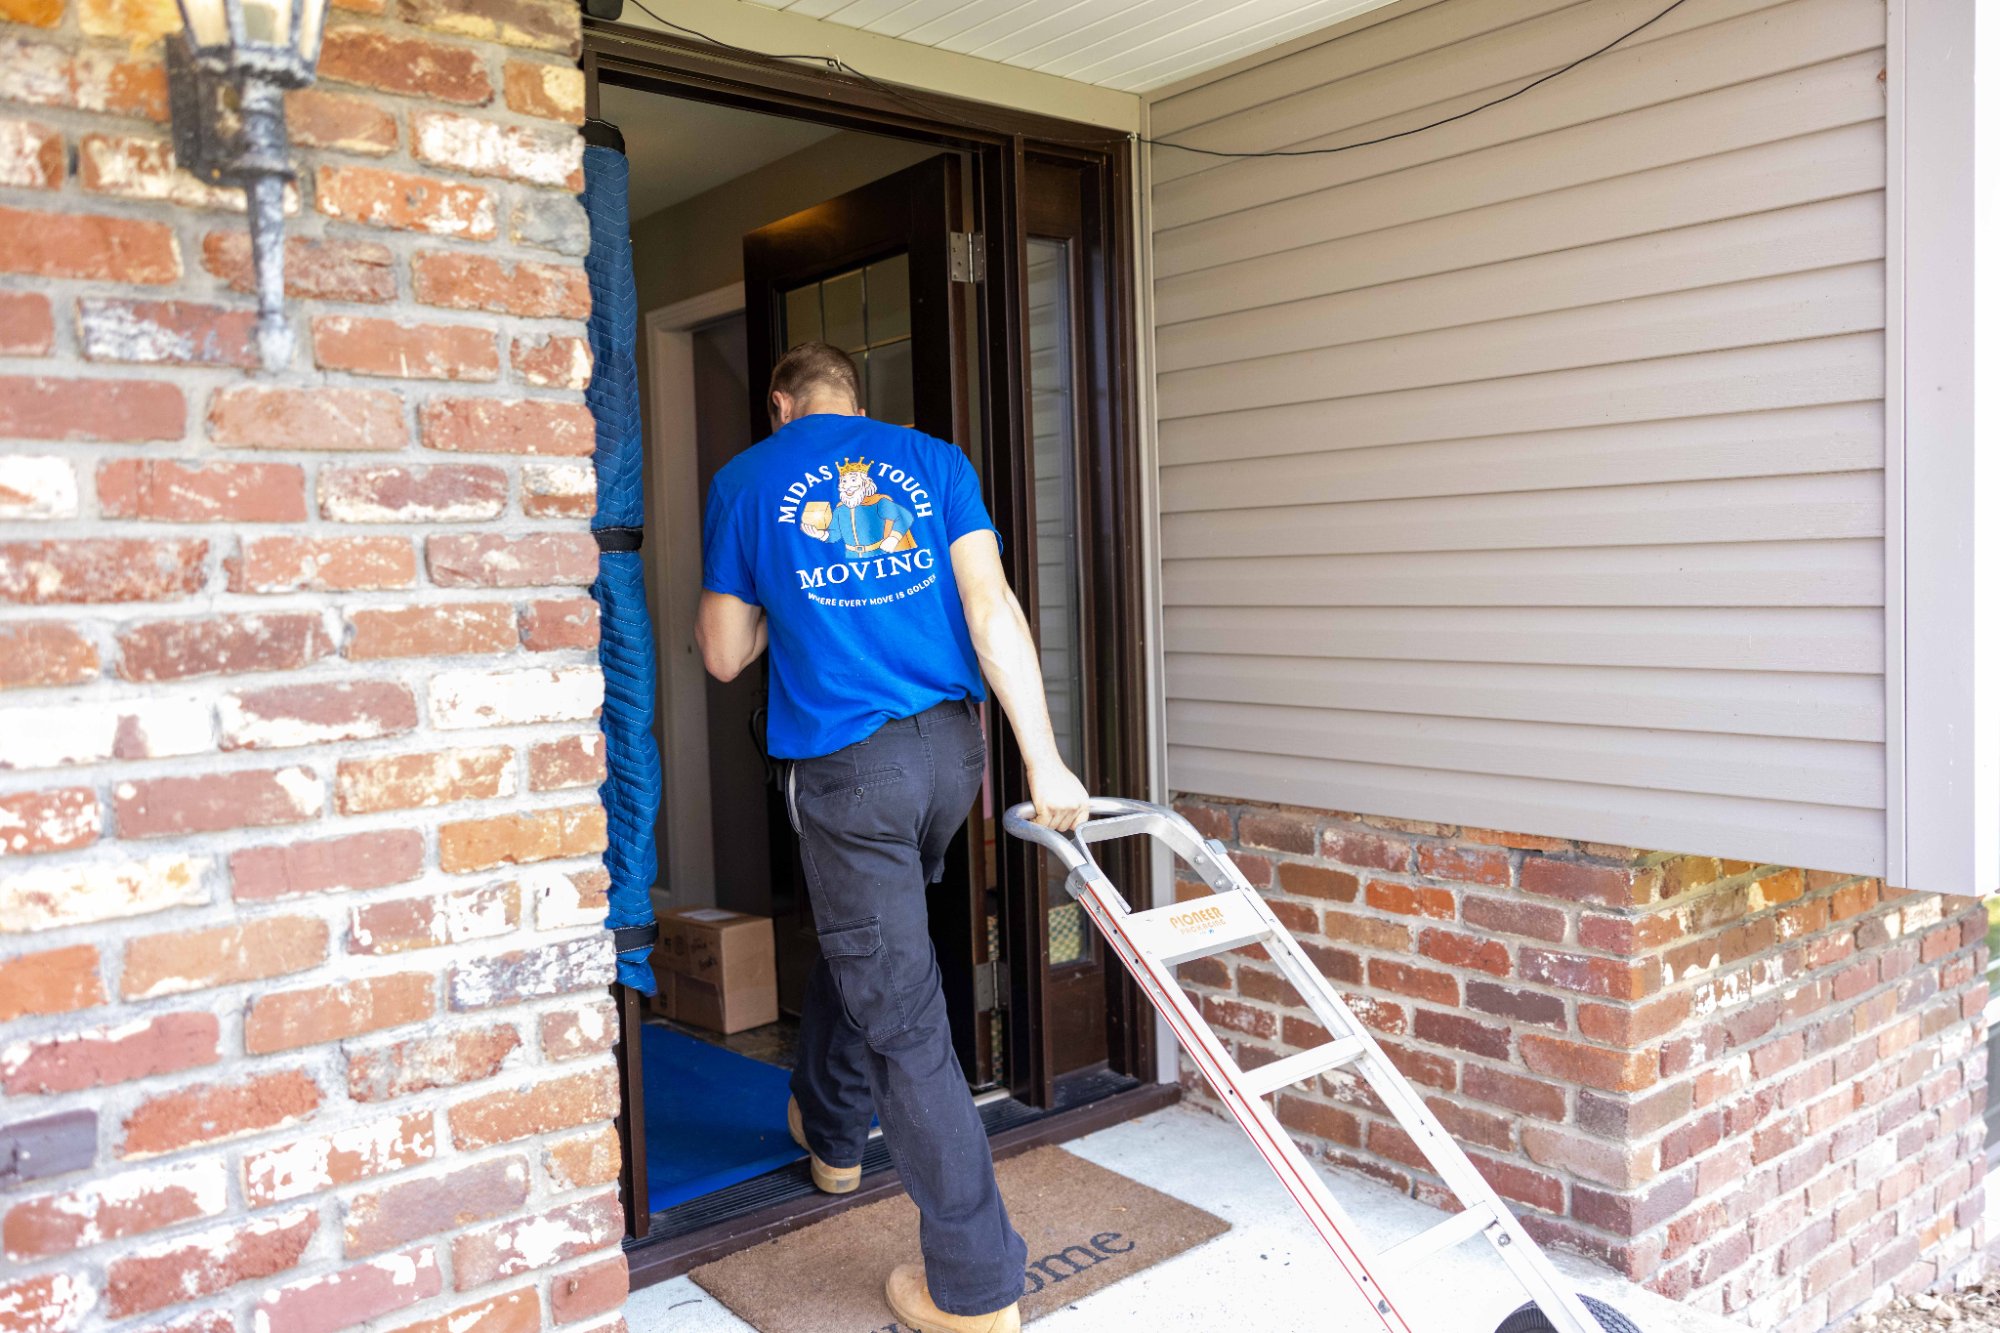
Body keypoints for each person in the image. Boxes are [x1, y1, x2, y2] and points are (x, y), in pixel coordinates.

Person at [696, 341, 1090, 1333]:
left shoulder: (747, 480)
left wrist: (789, 593)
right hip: (950, 759)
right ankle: (830, 1133)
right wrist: (1043, 759)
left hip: (850, 768)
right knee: (873, 944)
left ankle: (971, 1289)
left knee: (902, 1014)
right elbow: (988, 606)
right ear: (850, 402)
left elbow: (723, 654)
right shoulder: (932, 460)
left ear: (782, 404)